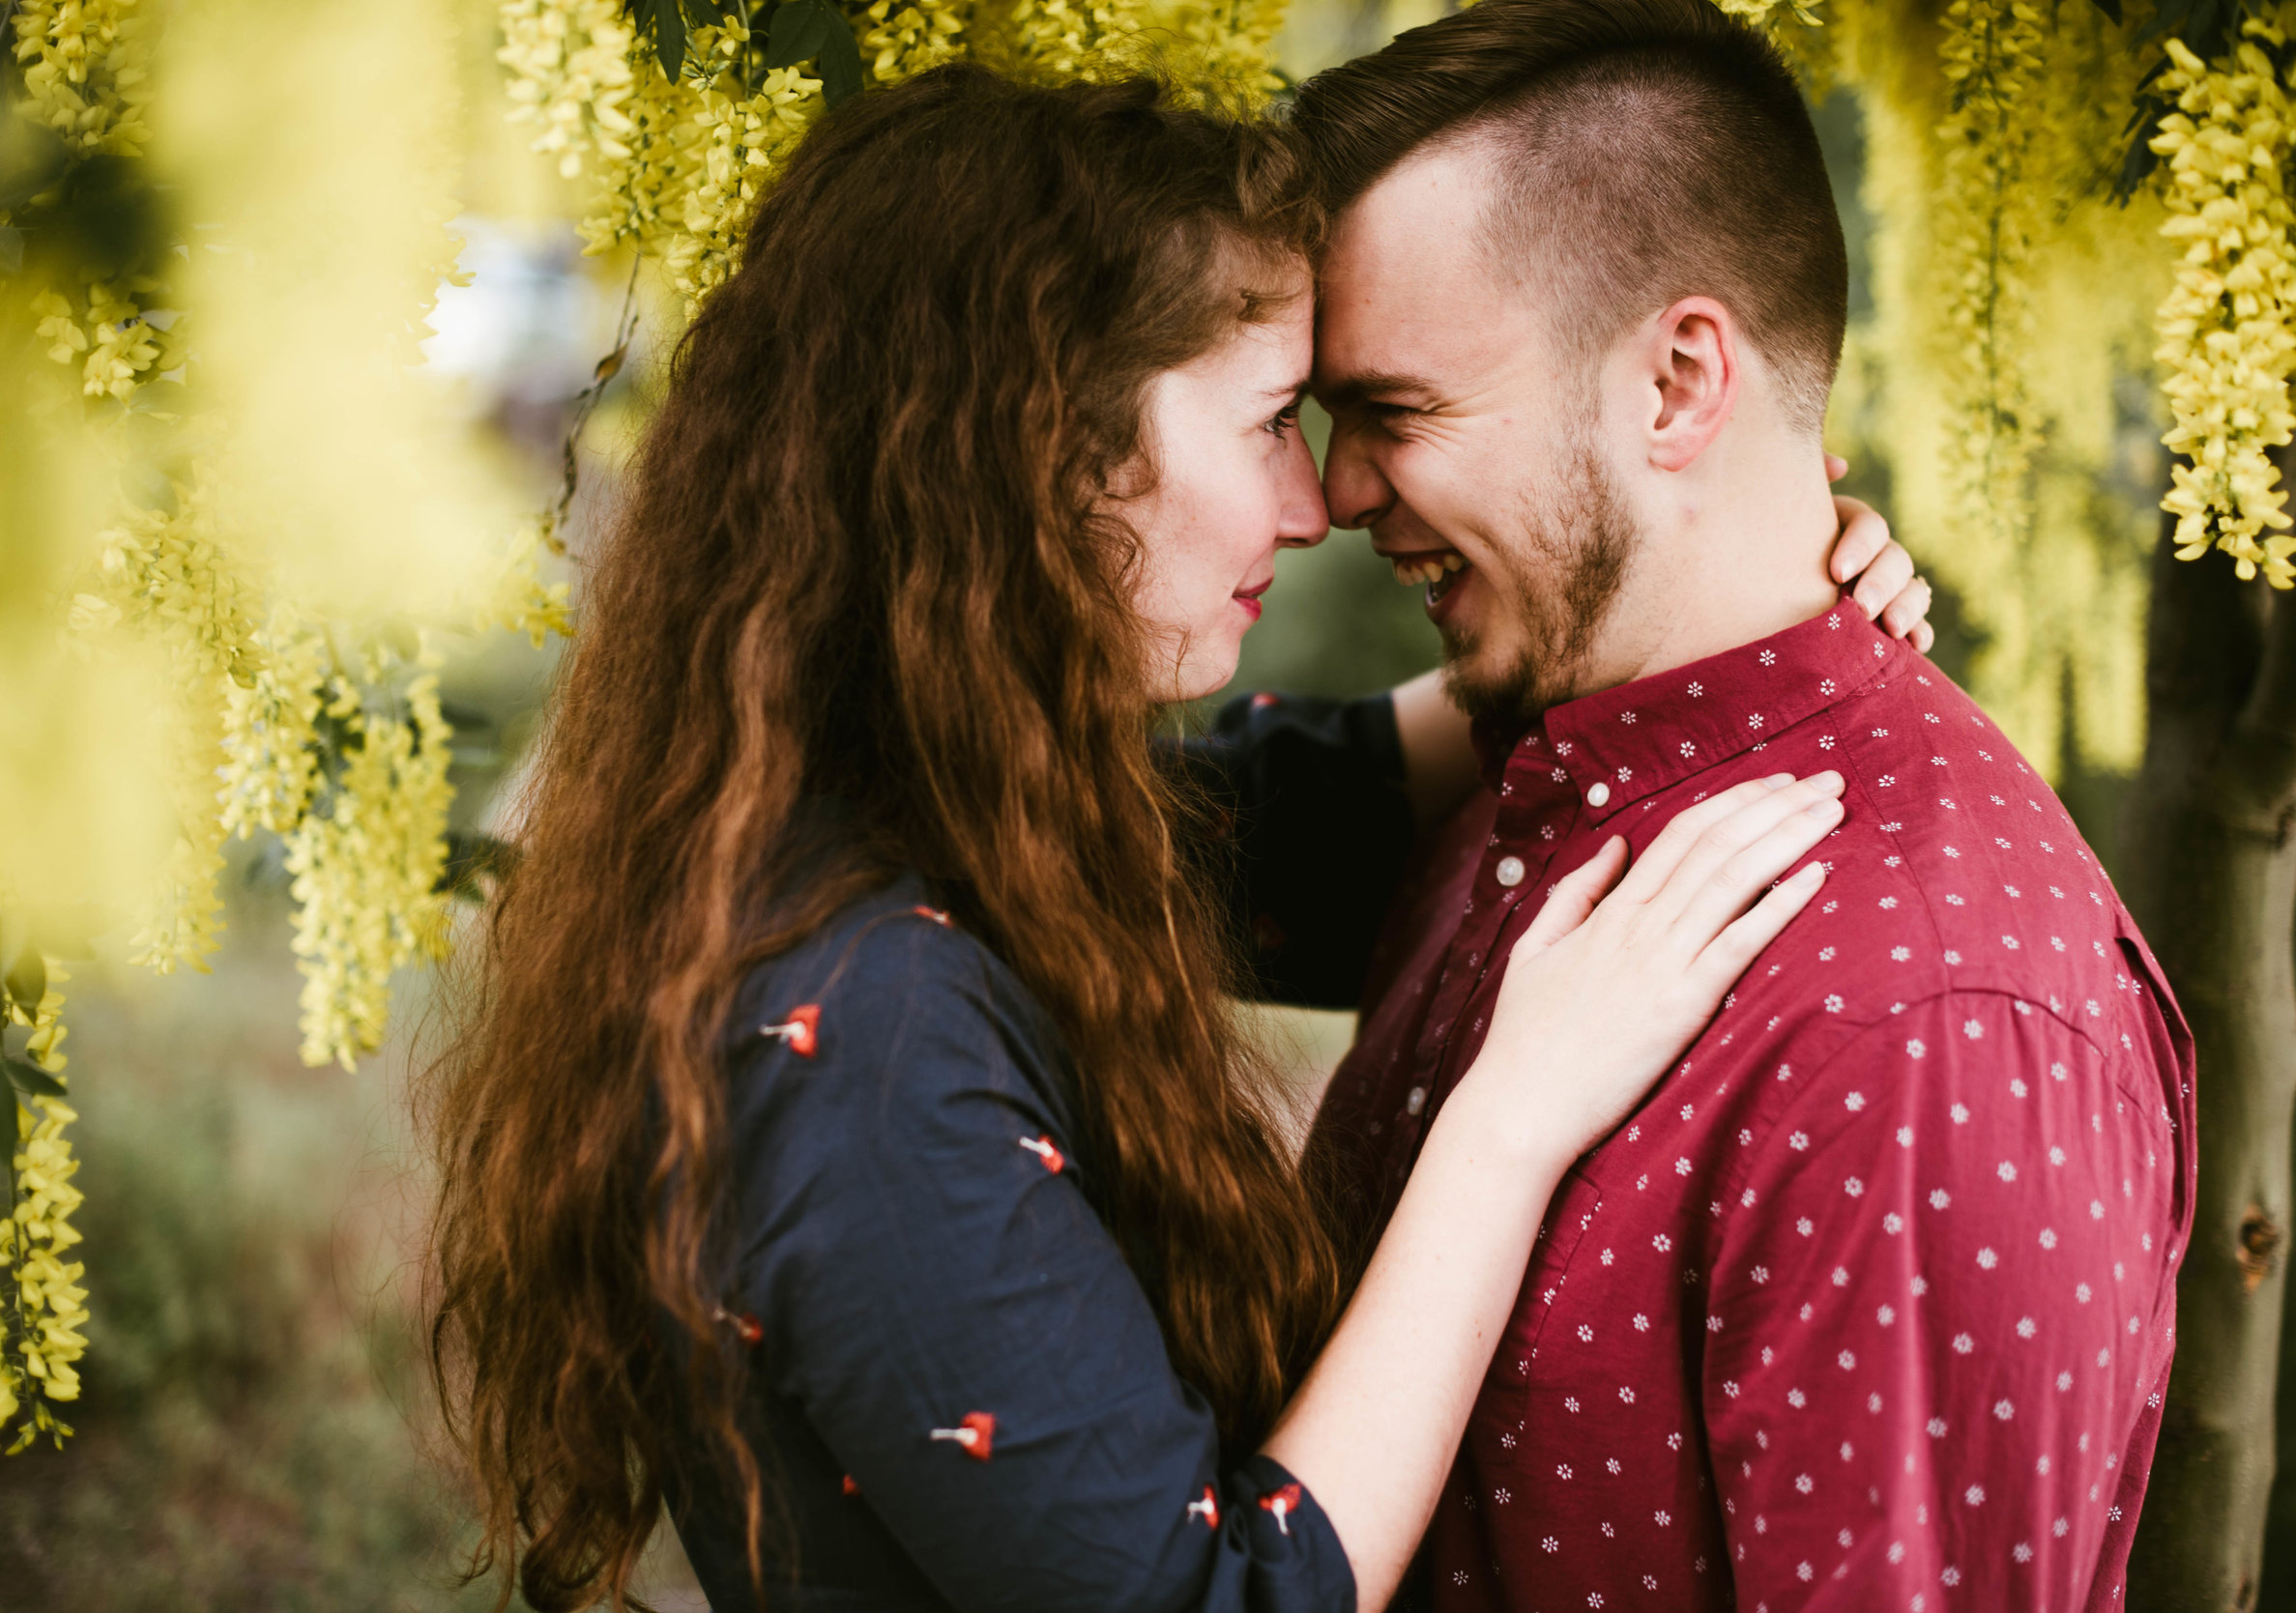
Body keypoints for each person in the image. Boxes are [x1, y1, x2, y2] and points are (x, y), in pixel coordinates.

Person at [421, 61, 1940, 1613]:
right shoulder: (865, 1033)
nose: (1316, 502)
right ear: (1044, 454)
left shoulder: (945, 811)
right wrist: (1512, 1123)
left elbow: (1329, 809)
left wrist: (1739, 569)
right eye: (1274, 420)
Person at [1242, 3, 2197, 1609]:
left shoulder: (1926, 1027)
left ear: (1681, 380)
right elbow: (1076, 855)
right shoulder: (1518, 787)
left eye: (1394, 411)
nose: (1332, 495)